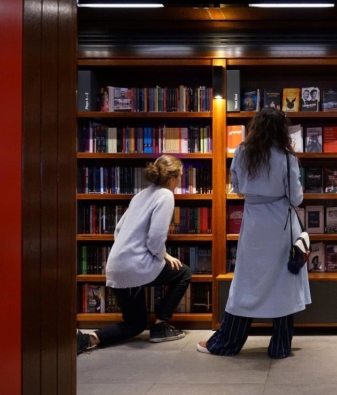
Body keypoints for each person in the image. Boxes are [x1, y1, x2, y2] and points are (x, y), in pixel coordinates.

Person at [198, 107, 311, 359]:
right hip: (281, 224)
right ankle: (280, 347)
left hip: (253, 223)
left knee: (246, 283)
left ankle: (228, 342)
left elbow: (237, 188)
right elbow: (297, 198)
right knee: (283, 284)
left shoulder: (241, 152)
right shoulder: (286, 157)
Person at [76, 154, 192, 355]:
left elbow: (118, 230)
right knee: (183, 273)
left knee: (135, 324)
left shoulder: (141, 195)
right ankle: (161, 324)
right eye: (180, 176)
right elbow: (156, 238)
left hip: (116, 266)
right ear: (172, 178)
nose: (180, 180)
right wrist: (163, 256)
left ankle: (88, 339)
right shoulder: (166, 195)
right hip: (136, 265)